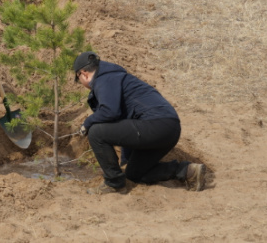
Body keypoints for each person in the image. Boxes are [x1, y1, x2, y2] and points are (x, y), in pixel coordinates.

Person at [73, 52, 207, 194]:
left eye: (78, 79)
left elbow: (110, 112)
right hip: (169, 128)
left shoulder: (104, 79)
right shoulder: (113, 76)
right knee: (135, 174)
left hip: (156, 125)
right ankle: (188, 171)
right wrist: (125, 160)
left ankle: (113, 183)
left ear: (84, 73)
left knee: (96, 132)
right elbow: (123, 122)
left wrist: (87, 123)